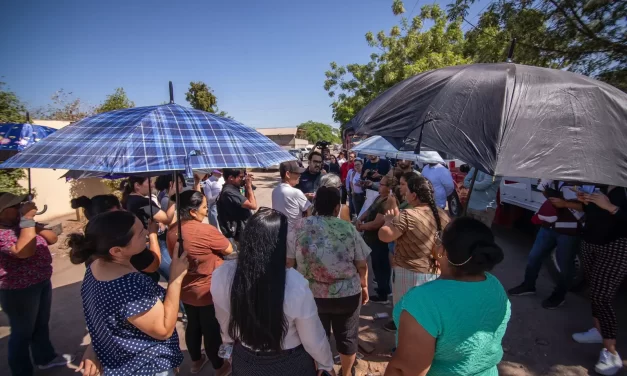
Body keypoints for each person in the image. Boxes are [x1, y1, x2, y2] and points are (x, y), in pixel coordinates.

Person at [211, 209, 336, 376]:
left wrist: (229, 346)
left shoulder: (222, 275)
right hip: (290, 363)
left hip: (245, 359)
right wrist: (325, 363)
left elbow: (224, 320)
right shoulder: (295, 284)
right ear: (279, 244)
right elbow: (312, 337)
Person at [385, 217, 511, 376]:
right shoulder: (494, 284)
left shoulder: (423, 300)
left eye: (439, 238)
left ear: (442, 251)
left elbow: (406, 370)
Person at [68, 210, 187, 376]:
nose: (146, 232)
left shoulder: (95, 267)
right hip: (145, 367)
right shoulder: (128, 285)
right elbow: (163, 329)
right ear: (116, 251)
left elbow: (105, 317)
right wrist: (176, 277)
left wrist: (95, 347)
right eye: (139, 233)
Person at [290, 186, 369, 376]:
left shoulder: (299, 227)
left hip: (311, 294)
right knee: (348, 336)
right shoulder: (348, 228)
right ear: (337, 207)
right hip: (347, 295)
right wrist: (364, 285)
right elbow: (362, 264)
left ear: (315, 205)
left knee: (315, 336)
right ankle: (347, 372)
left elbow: (289, 263)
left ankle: (322, 371)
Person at [0, 193, 74, 376]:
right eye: (16, 205)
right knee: (22, 332)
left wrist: (29, 223)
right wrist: (26, 219)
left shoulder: (23, 225)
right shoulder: (3, 232)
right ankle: (21, 370)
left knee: (41, 324)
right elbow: (24, 251)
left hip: (40, 281)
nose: (21, 207)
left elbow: (52, 238)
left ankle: (44, 357)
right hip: (18, 290)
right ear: (3, 211)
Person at [165, 190, 233, 375]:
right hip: (208, 290)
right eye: (204, 207)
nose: (206, 210)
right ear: (193, 212)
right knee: (211, 330)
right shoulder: (205, 230)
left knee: (193, 325)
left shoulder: (172, 232)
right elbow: (228, 249)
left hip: (186, 289)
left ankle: (196, 361)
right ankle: (219, 366)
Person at [378, 175, 450, 332]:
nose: (404, 193)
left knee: (405, 316)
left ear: (414, 195)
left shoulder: (407, 215)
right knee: (426, 317)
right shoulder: (442, 215)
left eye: (407, 190)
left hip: (408, 273)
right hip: (433, 273)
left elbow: (384, 236)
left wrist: (389, 220)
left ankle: (403, 350)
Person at [569, 186, 627, 375]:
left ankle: (611, 353)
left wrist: (611, 207)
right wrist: (586, 203)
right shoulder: (600, 183)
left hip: (616, 246)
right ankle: (597, 330)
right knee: (593, 289)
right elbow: (592, 212)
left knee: (602, 296)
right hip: (591, 242)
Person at [508, 180, 585, 309]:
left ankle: (559, 296)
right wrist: (549, 193)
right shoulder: (555, 175)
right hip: (548, 226)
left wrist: (565, 203)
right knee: (534, 256)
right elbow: (544, 191)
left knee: (565, 266)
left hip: (569, 230)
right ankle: (528, 285)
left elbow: (589, 207)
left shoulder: (587, 180)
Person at [71, 195, 162, 282]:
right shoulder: (123, 241)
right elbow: (153, 265)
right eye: (119, 211)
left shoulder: (92, 238)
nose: (126, 212)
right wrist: (152, 234)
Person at [121, 176, 177, 280]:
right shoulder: (142, 202)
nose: (152, 185)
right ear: (137, 185)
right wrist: (172, 197)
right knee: (174, 275)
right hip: (152, 241)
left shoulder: (128, 199)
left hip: (140, 242)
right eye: (149, 182)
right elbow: (167, 219)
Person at [357, 176, 399, 303]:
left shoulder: (388, 202)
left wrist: (362, 226)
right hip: (371, 238)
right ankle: (383, 290)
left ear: (389, 188)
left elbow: (377, 223)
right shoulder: (379, 197)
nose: (379, 186)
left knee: (381, 266)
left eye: (382, 184)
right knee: (377, 265)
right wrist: (360, 219)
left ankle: (383, 294)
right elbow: (369, 210)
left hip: (379, 239)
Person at [216, 168, 257, 247]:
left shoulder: (233, 189)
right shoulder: (229, 192)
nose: (242, 179)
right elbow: (253, 206)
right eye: (240, 177)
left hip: (243, 229)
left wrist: (246, 187)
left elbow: (246, 202)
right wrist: (248, 186)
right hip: (240, 231)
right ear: (231, 177)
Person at [272, 161, 310, 227]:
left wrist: (303, 197)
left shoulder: (275, 191)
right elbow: (310, 210)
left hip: (279, 233)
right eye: (297, 173)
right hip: (294, 235)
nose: (300, 175)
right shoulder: (296, 192)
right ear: (288, 174)